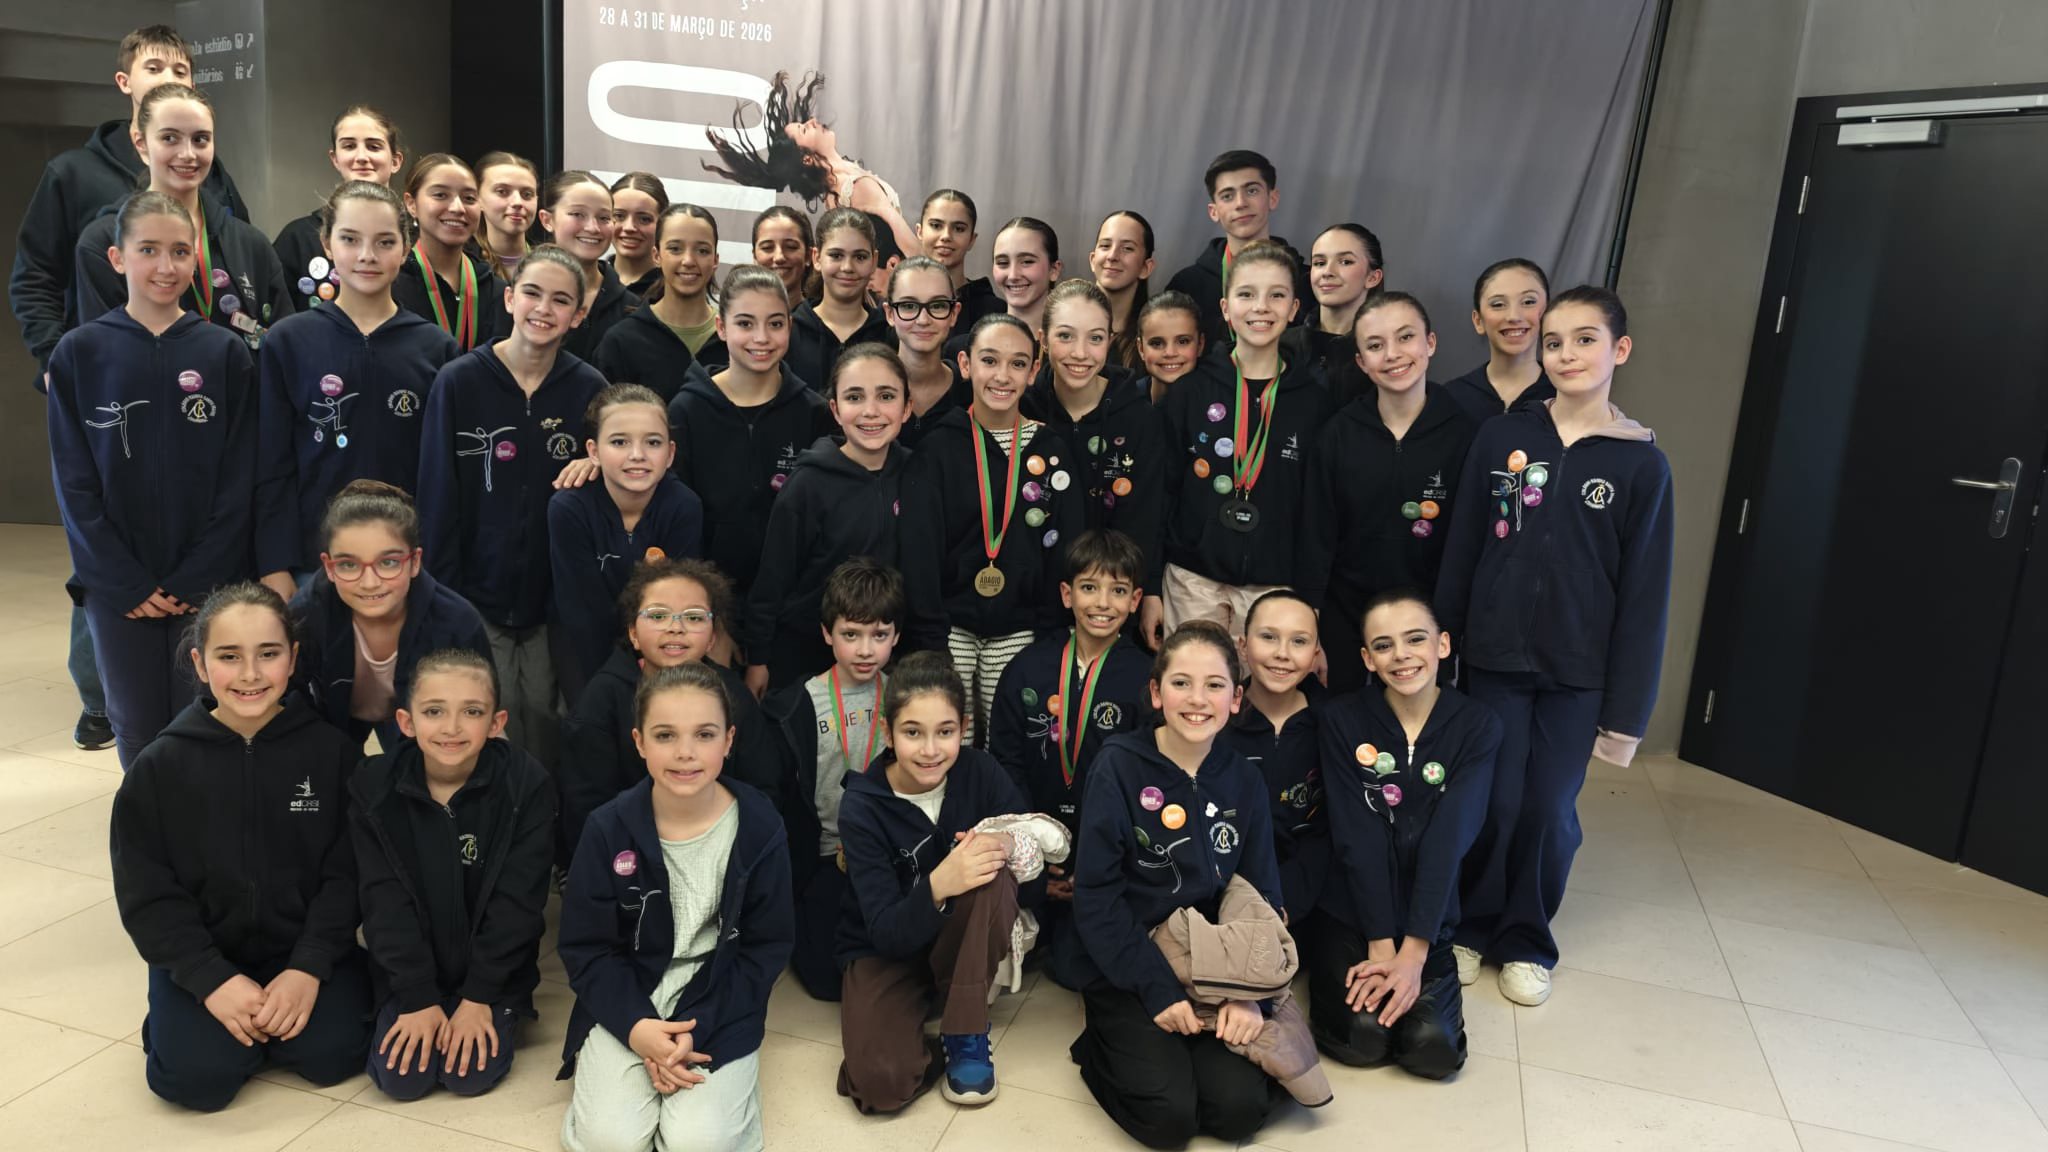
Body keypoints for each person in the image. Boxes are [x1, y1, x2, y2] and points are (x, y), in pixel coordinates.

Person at [1434, 286, 1673, 1007]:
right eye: (1555, 342)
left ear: (1619, 350)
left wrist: (1626, 715)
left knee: (1546, 809)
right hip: (1494, 659)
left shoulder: (1642, 466)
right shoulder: (1503, 438)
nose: (1567, 354)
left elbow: (1645, 597)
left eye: (1585, 340)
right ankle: (1473, 927)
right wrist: (1445, 646)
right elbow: (1463, 548)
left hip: (1578, 674)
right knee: (1495, 801)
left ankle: (1527, 940)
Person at [110, 583, 370, 1111]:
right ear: (200, 664)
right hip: (208, 953)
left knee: (334, 1056)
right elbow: (146, 893)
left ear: (292, 659)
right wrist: (210, 980)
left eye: (268, 654)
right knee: (195, 1083)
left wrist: (308, 966)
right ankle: (188, 1018)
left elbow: (349, 875)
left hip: (301, 951)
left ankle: (265, 1025)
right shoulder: (159, 768)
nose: (250, 674)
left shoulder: (333, 754)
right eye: (229, 656)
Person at [48, 191, 255, 768]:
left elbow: (239, 480)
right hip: (117, 588)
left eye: (180, 252)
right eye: (148, 250)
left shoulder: (225, 353)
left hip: (205, 582)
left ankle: (204, 829)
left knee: (204, 724)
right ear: (118, 258)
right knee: (137, 728)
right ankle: (146, 826)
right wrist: (121, 581)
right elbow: (74, 485)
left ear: (196, 258)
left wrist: (200, 575)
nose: (166, 266)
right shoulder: (80, 353)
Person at [557, 662, 794, 1152]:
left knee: (698, 1142)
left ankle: (725, 1089)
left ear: (729, 741)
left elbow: (765, 949)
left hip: (720, 998)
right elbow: (587, 949)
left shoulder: (760, 826)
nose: (685, 752)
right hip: (630, 994)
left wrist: (697, 1028)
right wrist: (638, 1028)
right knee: (610, 1141)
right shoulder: (606, 828)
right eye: (665, 735)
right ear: (639, 742)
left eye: (704, 735)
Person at [1069, 623, 1284, 1147]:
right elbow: (1097, 896)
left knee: (1239, 1110)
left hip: (1212, 961)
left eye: (1215, 685)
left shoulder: (1244, 778)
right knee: (1169, 1121)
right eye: (1181, 683)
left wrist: (1250, 995)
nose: (1197, 699)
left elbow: (1261, 895)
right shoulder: (1117, 766)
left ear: (1236, 699)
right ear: (1156, 692)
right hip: (1131, 959)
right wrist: (1156, 989)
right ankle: (1100, 1044)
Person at [419, 245, 607, 768]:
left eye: (561, 300)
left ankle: (543, 818)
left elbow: (616, 477)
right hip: (474, 596)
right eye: (532, 293)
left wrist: (599, 464)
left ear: (579, 315)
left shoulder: (590, 389)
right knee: (487, 720)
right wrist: (442, 598)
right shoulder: (459, 381)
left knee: (546, 720)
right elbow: (436, 497)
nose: (544, 309)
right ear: (508, 298)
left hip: (553, 603)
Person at [835, 651, 1041, 1112]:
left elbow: (1031, 877)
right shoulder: (862, 806)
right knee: (881, 1086)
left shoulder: (981, 772)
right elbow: (884, 932)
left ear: (963, 728)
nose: (930, 750)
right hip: (887, 950)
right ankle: (923, 1018)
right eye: (913, 732)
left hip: (962, 941)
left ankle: (966, 1029)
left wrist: (1010, 845)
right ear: (887, 732)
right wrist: (938, 884)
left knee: (989, 866)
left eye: (945, 732)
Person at [351, 648, 555, 1101]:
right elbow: (382, 901)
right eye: (434, 711)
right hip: (409, 971)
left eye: (472, 712)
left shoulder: (526, 785)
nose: (452, 728)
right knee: (403, 1080)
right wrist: (416, 997)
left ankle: (490, 1010)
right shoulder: (375, 786)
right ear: (406, 722)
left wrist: (480, 996)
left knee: (469, 1077)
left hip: (493, 979)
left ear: (497, 723)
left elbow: (518, 905)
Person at [1312, 590, 1499, 1079]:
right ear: (1367, 659)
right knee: (1363, 1038)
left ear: (1442, 645)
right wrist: (1380, 944)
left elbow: (1449, 837)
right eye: (1384, 645)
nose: (1401, 655)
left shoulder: (1477, 725)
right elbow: (1358, 834)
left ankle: (1417, 970)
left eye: (1415, 639)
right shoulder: (1341, 720)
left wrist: (1413, 953)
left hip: (1427, 915)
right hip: (1352, 910)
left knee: (1431, 1049)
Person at [12, 23, 245, 389]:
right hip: (111, 375)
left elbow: (239, 255)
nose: (167, 78)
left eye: (180, 71)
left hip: (209, 372)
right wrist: (57, 358)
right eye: (153, 68)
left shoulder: (212, 174)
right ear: (124, 81)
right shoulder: (73, 173)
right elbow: (35, 277)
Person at [257, 180, 459, 580]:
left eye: (385, 242)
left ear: (406, 248)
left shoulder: (436, 348)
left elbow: (443, 476)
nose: (367, 255)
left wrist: (434, 566)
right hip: (314, 563)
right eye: (350, 239)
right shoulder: (288, 341)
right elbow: (271, 464)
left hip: (406, 563)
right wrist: (275, 565)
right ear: (327, 244)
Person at [901, 314, 1087, 742]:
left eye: (1017, 363)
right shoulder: (937, 448)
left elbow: (1067, 550)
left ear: (1034, 371)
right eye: (989, 360)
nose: (1003, 376)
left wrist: (1049, 632)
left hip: (1021, 629)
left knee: (1008, 743)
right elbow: (920, 551)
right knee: (951, 742)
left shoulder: (1051, 451)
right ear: (966, 365)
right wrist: (932, 638)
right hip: (950, 631)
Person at [986, 529, 1151, 988]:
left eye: (1118, 591)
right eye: (1089, 587)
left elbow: (1145, 779)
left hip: (1107, 846)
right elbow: (1005, 758)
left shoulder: (1145, 677)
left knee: (1076, 967)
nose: (1103, 603)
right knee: (1002, 941)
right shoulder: (1028, 666)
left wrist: (1099, 860)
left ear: (1135, 600)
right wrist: (1032, 841)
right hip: (1034, 839)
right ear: (1066, 593)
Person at [1153, 242, 1331, 645]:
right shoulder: (1190, 392)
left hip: (1274, 586)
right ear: (1225, 307)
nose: (1261, 307)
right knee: (1193, 679)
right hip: (1192, 579)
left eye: (1276, 295)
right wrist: (1149, 587)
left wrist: (1312, 598)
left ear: (1294, 308)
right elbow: (1161, 493)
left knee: (1259, 685)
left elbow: (1318, 512)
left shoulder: (1313, 403)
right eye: (1247, 294)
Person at [1300, 291, 1476, 694]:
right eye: (1375, 345)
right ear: (1361, 361)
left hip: (1427, 620)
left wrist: (1451, 624)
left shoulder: (1465, 435)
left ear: (1430, 343)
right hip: (1344, 616)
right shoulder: (1337, 434)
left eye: (1405, 337)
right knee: (1339, 720)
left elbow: (1467, 544)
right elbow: (1315, 535)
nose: (1393, 354)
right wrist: (1311, 620)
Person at [560, 558, 775, 864]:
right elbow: (584, 808)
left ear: (713, 638)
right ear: (633, 633)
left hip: (722, 852)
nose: (676, 628)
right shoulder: (601, 701)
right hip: (629, 860)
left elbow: (763, 787)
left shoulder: (734, 695)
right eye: (658, 615)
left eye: (694, 617)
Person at [761, 557, 901, 1001]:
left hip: (886, 855)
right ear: (827, 633)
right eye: (851, 635)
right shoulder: (797, 704)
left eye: (879, 635)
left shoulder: (904, 698)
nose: (865, 650)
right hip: (822, 857)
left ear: (896, 636)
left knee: (896, 956)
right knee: (825, 981)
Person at [744, 344, 910, 695]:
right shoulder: (808, 484)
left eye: (886, 396)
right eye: (854, 397)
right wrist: (758, 658)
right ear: (834, 409)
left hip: (887, 654)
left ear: (907, 407)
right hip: (806, 656)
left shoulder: (916, 473)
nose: (870, 411)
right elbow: (773, 579)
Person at [665, 264, 834, 607]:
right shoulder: (686, 410)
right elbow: (675, 516)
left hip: (790, 604)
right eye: (745, 323)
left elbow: (822, 518)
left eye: (775, 324)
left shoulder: (813, 412)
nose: (761, 338)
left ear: (790, 327)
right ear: (721, 327)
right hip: (707, 601)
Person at [75, 83, 291, 350]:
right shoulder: (103, 241)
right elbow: (101, 353)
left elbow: (282, 349)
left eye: (200, 139)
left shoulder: (250, 243)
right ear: (141, 144)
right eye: (169, 138)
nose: (188, 154)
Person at [291, 481, 492, 753]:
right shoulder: (304, 616)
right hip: (330, 722)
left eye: (388, 562)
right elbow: (287, 706)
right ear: (328, 567)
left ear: (415, 561)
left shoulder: (458, 623)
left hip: (423, 731)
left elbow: (479, 712)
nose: (370, 583)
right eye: (348, 565)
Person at [1023, 278, 1171, 620]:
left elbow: (1150, 519)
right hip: (1033, 599)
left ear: (1110, 341)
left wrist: (1148, 589)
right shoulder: (1024, 409)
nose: (1080, 353)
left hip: (1111, 602)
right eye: (1065, 336)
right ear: (1042, 339)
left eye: (1095, 338)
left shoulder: (1139, 419)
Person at [549, 384, 705, 706]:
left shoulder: (684, 507)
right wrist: (612, 689)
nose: (637, 455)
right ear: (593, 451)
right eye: (619, 442)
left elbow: (677, 601)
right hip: (584, 644)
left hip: (660, 641)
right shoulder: (569, 509)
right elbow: (582, 613)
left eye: (653, 442)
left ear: (670, 454)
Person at [702, 69, 919, 258]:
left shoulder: (841, 184)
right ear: (806, 158)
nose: (813, 121)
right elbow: (904, 243)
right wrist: (929, 272)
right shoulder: (853, 187)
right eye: (805, 129)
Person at [1219, 590, 1329, 924]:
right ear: (1242, 645)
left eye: (1299, 642)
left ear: (1315, 654)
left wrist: (1286, 902)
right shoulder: (1215, 722)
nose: (1282, 653)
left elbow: (1333, 831)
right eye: (1268, 637)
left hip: (1312, 897)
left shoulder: (1335, 726)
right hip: (1225, 895)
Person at [1163, 149, 1313, 346]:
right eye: (1227, 196)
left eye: (1252, 191)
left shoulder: (1308, 281)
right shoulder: (1187, 285)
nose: (1241, 203)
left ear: (1272, 198)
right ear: (1214, 211)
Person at [274, 106, 404, 314]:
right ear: (335, 159)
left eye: (373, 147)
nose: (361, 156)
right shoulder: (297, 237)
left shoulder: (418, 237)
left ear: (395, 161)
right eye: (349, 146)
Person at [594, 204, 721, 399]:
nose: (688, 260)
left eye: (702, 251)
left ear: (715, 260)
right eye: (675, 249)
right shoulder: (622, 340)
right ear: (657, 255)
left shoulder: (734, 338)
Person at [394, 154, 503, 354]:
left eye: (469, 198)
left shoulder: (498, 291)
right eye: (440, 195)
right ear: (411, 203)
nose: (458, 208)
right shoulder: (391, 285)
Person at [529, 170, 631, 361]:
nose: (592, 228)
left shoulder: (631, 308)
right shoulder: (521, 294)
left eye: (604, 218)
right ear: (547, 220)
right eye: (577, 214)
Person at [786, 206, 891, 391]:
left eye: (860, 257)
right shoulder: (789, 332)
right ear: (816, 258)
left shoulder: (890, 334)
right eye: (836, 256)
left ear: (874, 261)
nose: (847, 267)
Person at [1444, 258, 1555, 427]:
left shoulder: (1564, 393)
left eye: (1528, 302)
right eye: (1498, 304)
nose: (1514, 316)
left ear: (1549, 313)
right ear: (1478, 321)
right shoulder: (1450, 398)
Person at [944, 216, 1060, 365]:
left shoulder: (1072, 351)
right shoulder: (965, 348)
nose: (1013, 275)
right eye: (1003, 263)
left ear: (1054, 269)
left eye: (1027, 262)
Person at [885, 255, 966, 448]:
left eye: (937, 306)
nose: (923, 320)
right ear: (890, 314)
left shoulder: (973, 394)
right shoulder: (864, 390)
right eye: (908, 306)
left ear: (954, 313)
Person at [1304, 223, 1384, 406]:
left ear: (1373, 277)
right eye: (1319, 263)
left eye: (1345, 262)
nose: (1327, 272)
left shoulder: (1387, 352)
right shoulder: (1284, 346)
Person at [917, 188, 1000, 329]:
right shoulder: (899, 302)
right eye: (936, 226)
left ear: (972, 239)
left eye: (959, 229)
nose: (946, 236)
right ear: (920, 232)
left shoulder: (993, 312)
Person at [1089, 211, 1157, 371]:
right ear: (1092, 260)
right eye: (1105, 246)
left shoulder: (1154, 337)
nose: (1112, 256)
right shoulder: (1063, 320)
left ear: (1146, 267)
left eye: (1127, 248)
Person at [474, 151, 539, 283]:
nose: (517, 202)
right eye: (502, 192)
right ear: (477, 198)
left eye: (527, 194)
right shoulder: (460, 266)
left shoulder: (554, 264)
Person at [1134, 290, 1205, 407]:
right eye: (1157, 343)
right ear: (1141, 348)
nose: (1170, 353)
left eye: (1183, 341)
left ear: (1200, 345)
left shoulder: (1219, 399)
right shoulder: (1123, 403)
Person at [606, 171, 669, 299]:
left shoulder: (673, 290)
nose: (629, 227)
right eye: (619, 216)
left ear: (663, 224)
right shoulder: (586, 281)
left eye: (644, 219)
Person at [749, 205, 814, 304]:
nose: (779, 257)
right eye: (767, 247)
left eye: (791, 247)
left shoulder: (816, 314)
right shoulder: (737, 312)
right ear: (754, 256)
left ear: (808, 256)